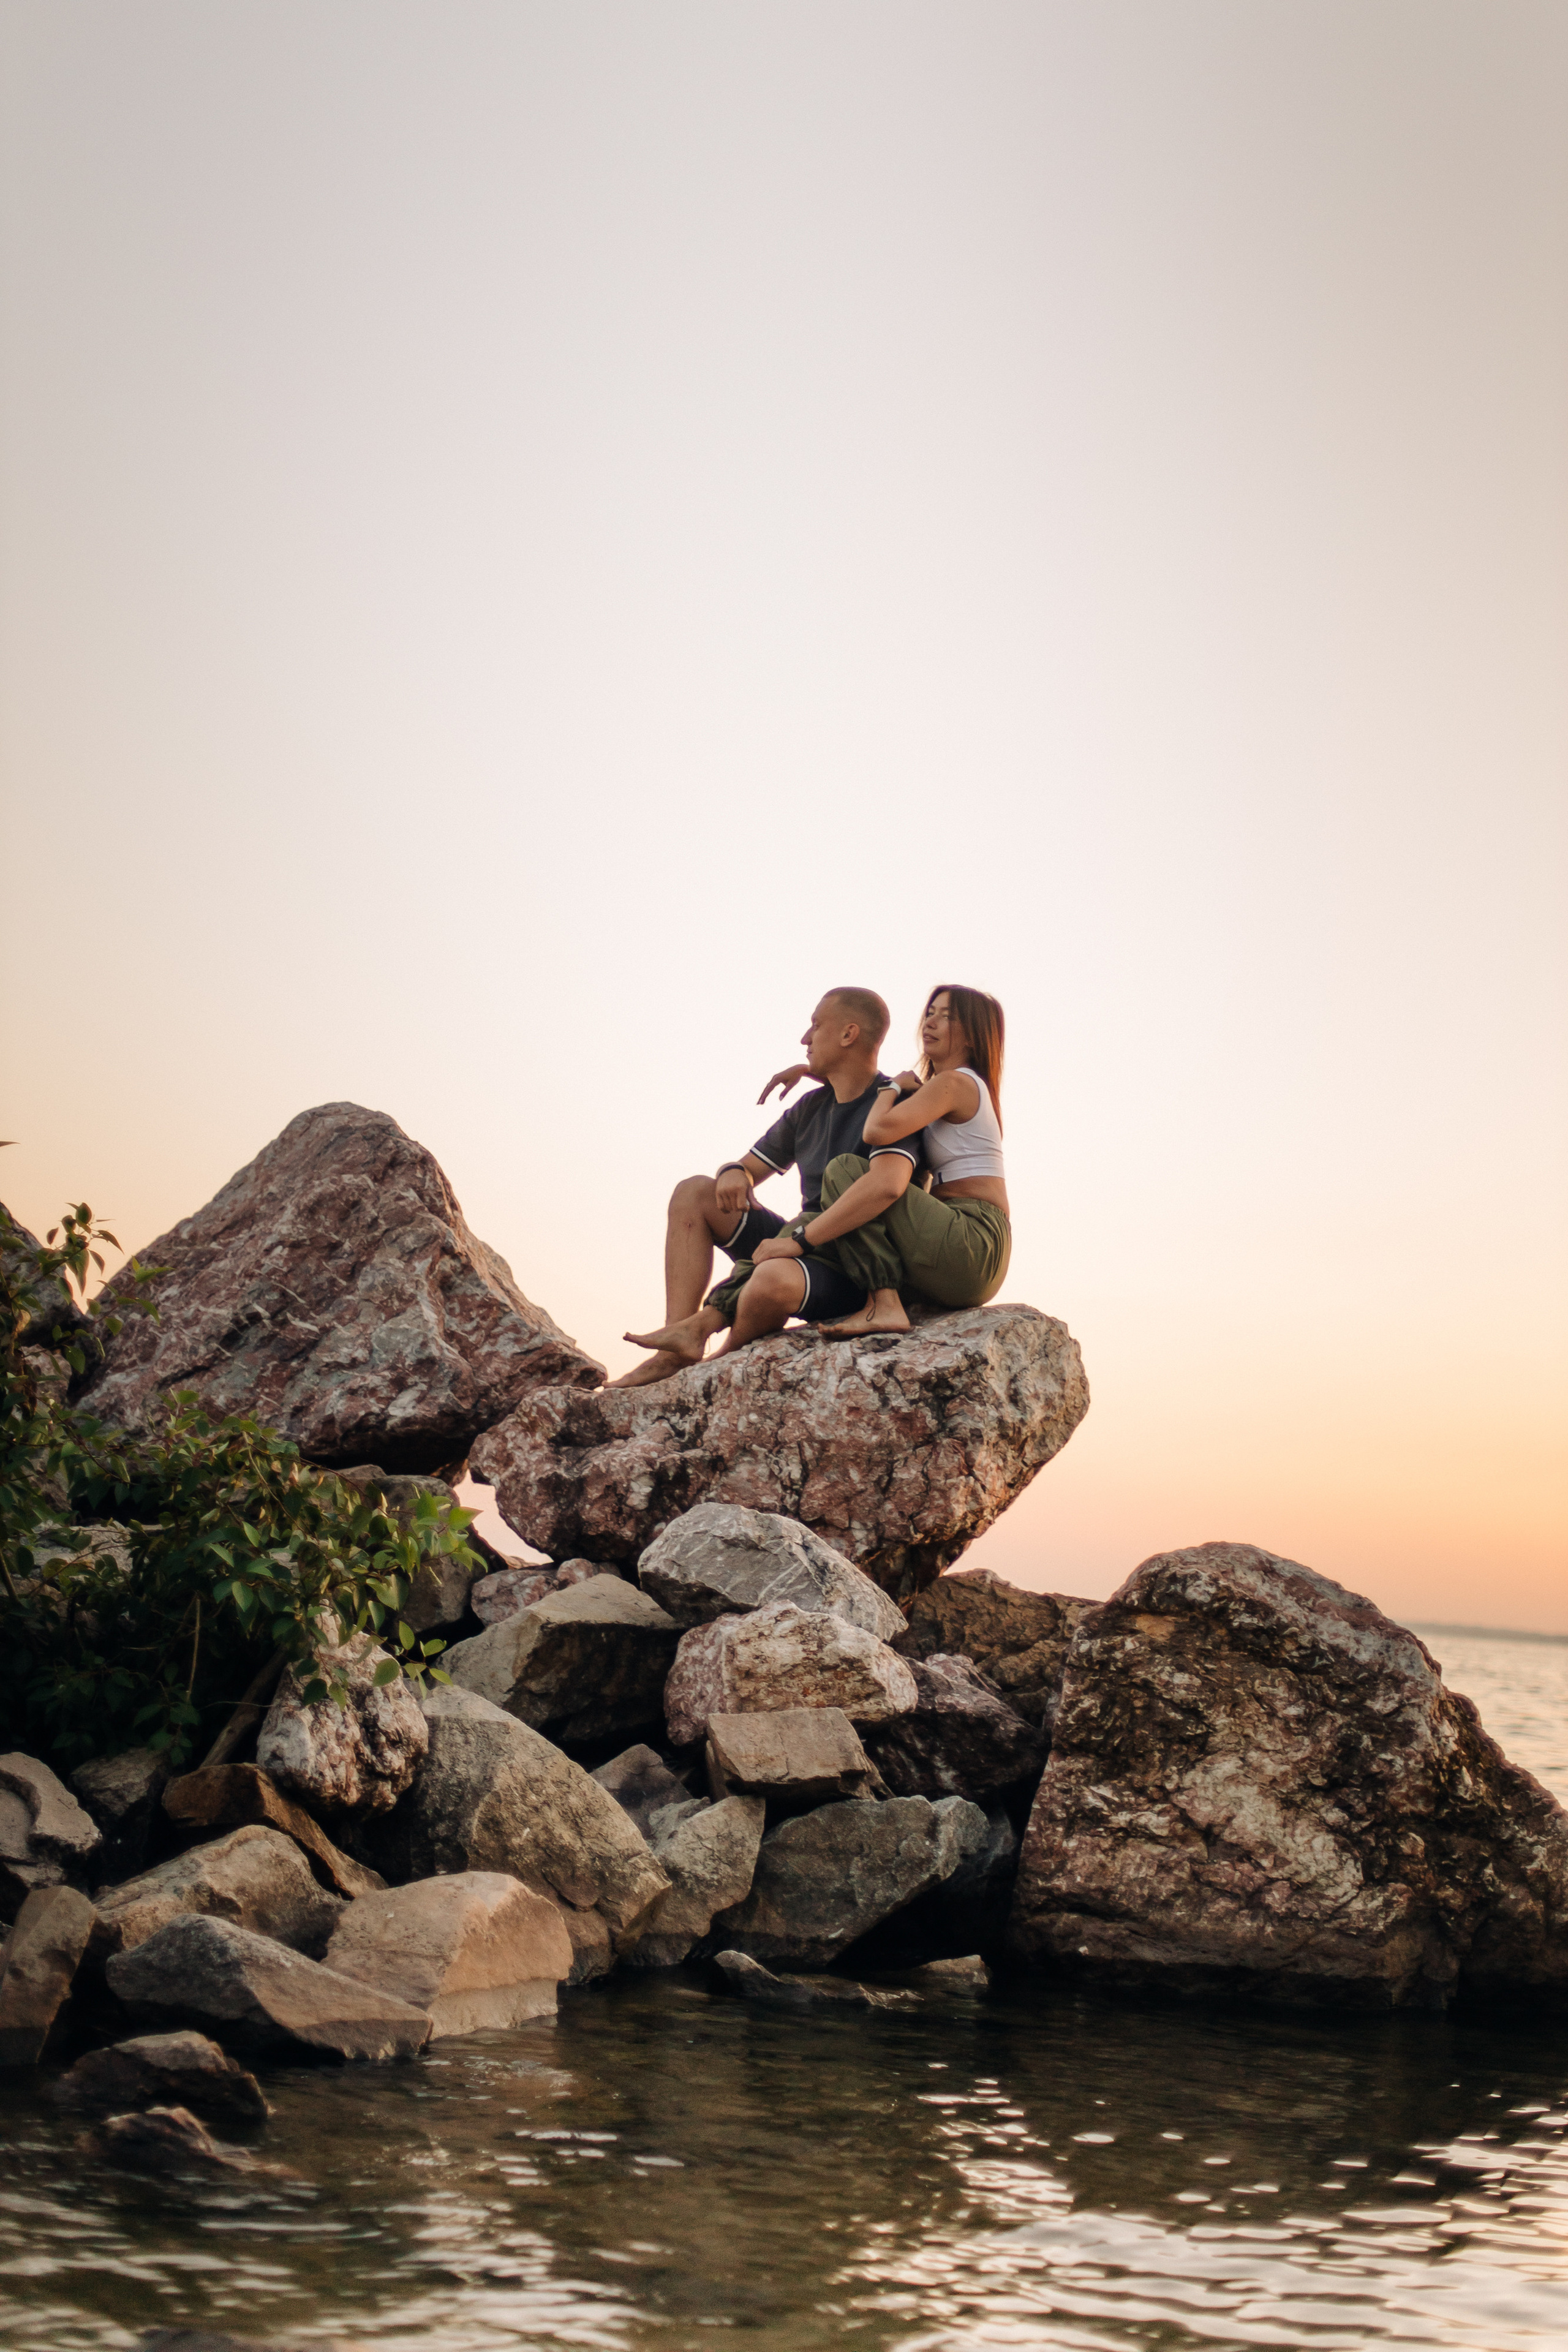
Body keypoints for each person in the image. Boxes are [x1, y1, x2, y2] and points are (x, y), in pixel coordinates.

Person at [612, 987, 928, 1386]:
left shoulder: (896, 1105)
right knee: (694, 1192)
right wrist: (733, 1173)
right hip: (801, 1243)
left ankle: (720, 1357)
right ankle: (675, 1345)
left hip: (856, 1264)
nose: (805, 1039)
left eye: (816, 1026)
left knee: (772, 1279)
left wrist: (796, 1241)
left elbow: (885, 1196)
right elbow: (747, 1168)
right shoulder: (810, 1107)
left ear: (848, 1035)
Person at [814, 983, 1010, 1338]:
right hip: (971, 1254)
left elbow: (876, 1130)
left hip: (972, 1241)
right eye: (930, 1013)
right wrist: (814, 1072)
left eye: (946, 1016)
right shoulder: (945, 1088)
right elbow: (860, 1085)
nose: (930, 1023)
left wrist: (891, 1088)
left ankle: (884, 1304)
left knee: (847, 1172)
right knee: (845, 1229)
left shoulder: (955, 1084)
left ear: (972, 1035)